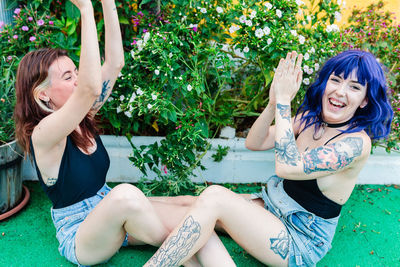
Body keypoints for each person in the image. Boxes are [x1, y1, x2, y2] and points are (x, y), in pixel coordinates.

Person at [14, 0, 235, 266]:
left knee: (194, 221)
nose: (77, 78)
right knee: (128, 197)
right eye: (68, 76)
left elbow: (115, 63)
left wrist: (107, 2)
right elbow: (90, 88)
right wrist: (85, 10)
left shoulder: (84, 117)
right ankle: (175, 253)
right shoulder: (44, 135)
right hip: (82, 235)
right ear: (43, 95)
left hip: (111, 211)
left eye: (76, 72)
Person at [143, 50, 393, 266]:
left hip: (298, 240)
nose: (340, 91)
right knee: (189, 203)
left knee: (214, 198)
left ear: (365, 101)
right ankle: (128, 211)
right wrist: (274, 103)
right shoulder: (311, 119)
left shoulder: (355, 144)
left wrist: (285, 102)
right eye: (336, 80)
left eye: (354, 87)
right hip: (271, 208)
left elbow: (287, 166)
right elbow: (255, 142)